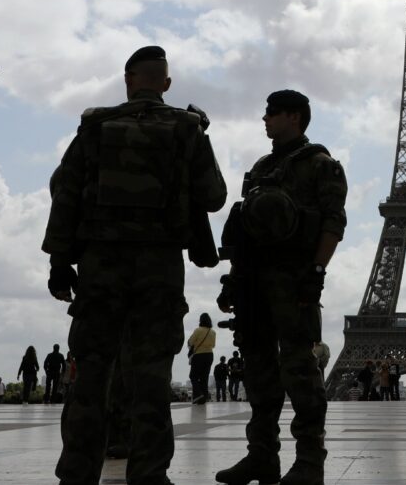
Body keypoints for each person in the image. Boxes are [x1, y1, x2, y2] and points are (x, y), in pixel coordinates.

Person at [44, 46, 227, 485]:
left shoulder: (94, 127)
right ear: (166, 83)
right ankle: (149, 475)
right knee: (150, 380)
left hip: (99, 267)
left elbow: (65, 194)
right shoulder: (185, 128)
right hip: (158, 269)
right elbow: (215, 196)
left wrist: (58, 261)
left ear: (127, 80)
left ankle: (76, 474)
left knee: (90, 377)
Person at [214, 89, 347, 485]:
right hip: (254, 281)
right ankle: (262, 457)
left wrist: (316, 271)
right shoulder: (261, 167)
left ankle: (309, 461)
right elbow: (245, 227)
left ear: (295, 117)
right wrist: (234, 279)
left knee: (300, 372)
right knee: (258, 373)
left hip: (294, 280)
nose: (265, 120)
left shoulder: (321, 165)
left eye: (271, 113)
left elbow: (332, 223)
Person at [188, 313, 216, 404]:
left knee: (193, 376)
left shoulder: (198, 330)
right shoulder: (213, 332)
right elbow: (213, 345)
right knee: (204, 377)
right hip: (209, 355)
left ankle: (199, 394)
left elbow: (191, 342)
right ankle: (203, 398)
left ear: (200, 320)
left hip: (199, 355)